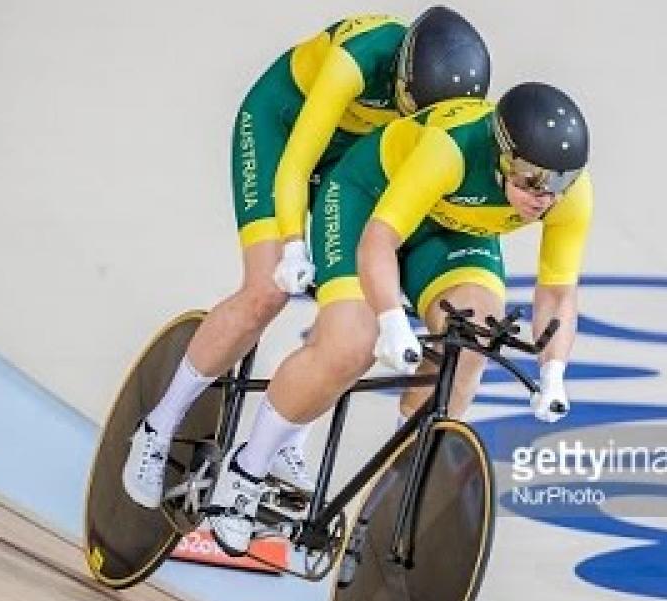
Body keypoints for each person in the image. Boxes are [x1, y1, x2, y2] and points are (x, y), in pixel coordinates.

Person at [121, 8, 491, 509]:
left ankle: (288, 436)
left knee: (354, 312)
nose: (413, 117)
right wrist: (293, 246)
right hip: (284, 131)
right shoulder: (356, 62)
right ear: (401, 72)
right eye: (409, 104)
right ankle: (156, 426)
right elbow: (297, 165)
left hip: (357, 162)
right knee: (266, 292)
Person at [207, 82, 593, 554]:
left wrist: (553, 374)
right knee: (351, 342)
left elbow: (557, 294)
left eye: (560, 182)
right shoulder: (448, 151)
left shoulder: (567, 195)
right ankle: (245, 470)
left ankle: (395, 492)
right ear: (501, 154)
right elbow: (378, 242)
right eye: (532, 179)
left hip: (449, 228)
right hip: (367, 202)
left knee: (472, 343)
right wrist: (391, 320)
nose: (544, 197)